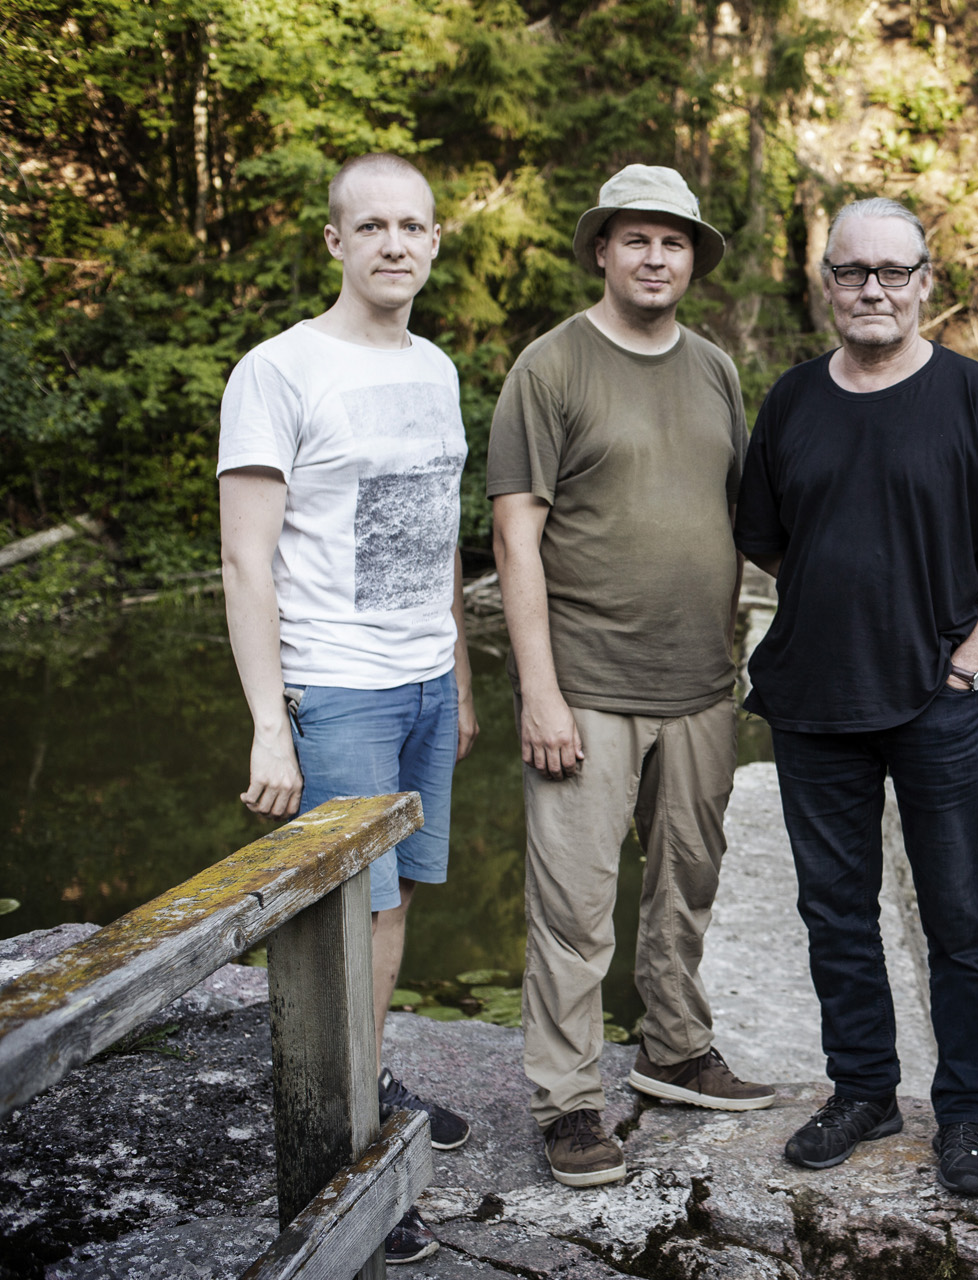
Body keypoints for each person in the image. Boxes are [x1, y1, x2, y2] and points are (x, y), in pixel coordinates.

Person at [734, 197, 978, 1198]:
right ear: (827, 282)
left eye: (893, 271)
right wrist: (844, 601)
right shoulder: (792, 399)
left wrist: (968, 663)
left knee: (960, 916)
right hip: (812, 699)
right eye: (853, 271)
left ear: (924, 283)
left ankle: (966, 1109)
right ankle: (864, 1088)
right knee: (835, 911)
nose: (873, 288)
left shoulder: (974, 397)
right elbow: (768, 538)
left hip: (937, 704)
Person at [488, 164, 774, 1191]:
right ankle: (567, 1102)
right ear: (603, 250)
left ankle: (674, 1046)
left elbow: (739, 517)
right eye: (637, 239)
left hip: (700, 683)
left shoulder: (715, 369)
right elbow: (515, 538)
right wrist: (541, 692)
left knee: (687, 879)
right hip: (587, 688)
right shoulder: (550, 368)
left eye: (675, 241)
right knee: (574, 908)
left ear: (693, 259)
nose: (657, 257)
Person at [219, 152, 477, 1266]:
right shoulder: (278, 371)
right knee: (339, 923)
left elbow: (441, 533)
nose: (394, 244)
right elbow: (245, 560)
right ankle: (349, 1158)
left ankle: (368, 1082)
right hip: (336, 685)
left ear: (433, 241)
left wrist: (458, 677)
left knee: (395, 897)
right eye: (371, 225)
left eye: (412, 226)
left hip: (423, 682)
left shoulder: (438, 367)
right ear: (335, 240)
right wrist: (270, 721)